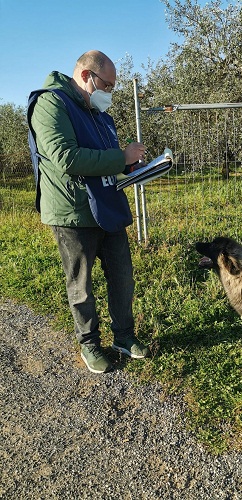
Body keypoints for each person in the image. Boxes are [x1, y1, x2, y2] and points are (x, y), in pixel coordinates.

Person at [28, 50, 150, 374]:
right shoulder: (50, 104)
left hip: (106, 205)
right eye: (106, 86)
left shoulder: (96, 112)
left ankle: (124, 336)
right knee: (81, 284)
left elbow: (108, 159)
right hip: (72, 211)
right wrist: (120, 157)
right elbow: (66, 158)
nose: (109, 93)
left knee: (122, 276)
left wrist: (134, 167)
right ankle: (90, 344)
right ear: (86, 76)